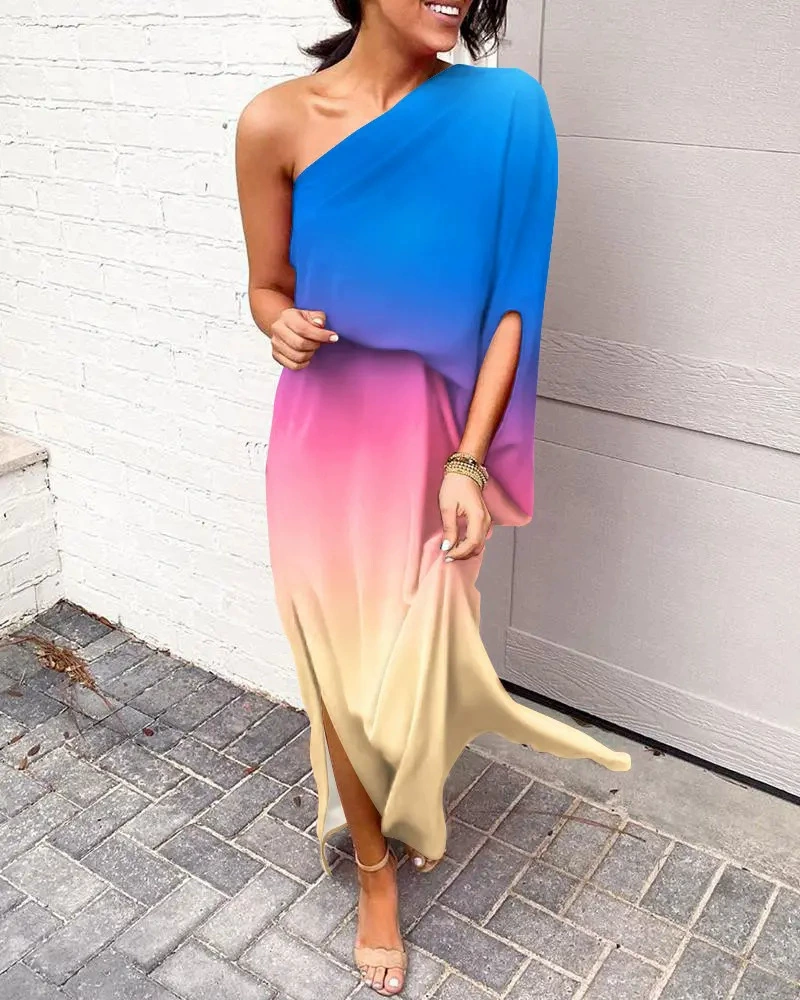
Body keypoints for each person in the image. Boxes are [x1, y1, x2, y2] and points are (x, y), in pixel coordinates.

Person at [235, 0, 632, 994]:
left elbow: (513, 302)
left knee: (412, 649)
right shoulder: (275, 121)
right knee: (332, 657)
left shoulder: (507, 112)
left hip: (435, 436)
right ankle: (373, 869)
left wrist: (469, 462)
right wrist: (277, 324)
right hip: (322, 429)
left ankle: (404, 793)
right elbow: (265, 285)